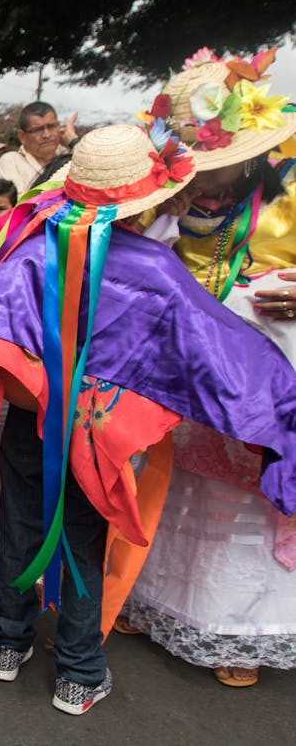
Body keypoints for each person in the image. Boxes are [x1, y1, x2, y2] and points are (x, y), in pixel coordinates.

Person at [0, 122, 296, 714]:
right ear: (145, 204)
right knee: (82, 537)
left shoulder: (33, 249)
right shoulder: (156, 269)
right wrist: (280, 397)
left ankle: (7, 642)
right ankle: (77, 670)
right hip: (99, 431)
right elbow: (217, 347)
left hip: (30, 421)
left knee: (21, 523)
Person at [119, 49, 296, 689]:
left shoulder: (291, 197)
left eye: (223, 168)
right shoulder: (161, 203)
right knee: (175, 486)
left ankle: (246, 628)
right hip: (185, 363)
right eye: (200, 170)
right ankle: (154, 599)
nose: (210, 185)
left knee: (245, 499)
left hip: (268, 367)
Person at [0, 101, 77, 195]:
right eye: (38, 130)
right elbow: (20, 205)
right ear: (22, 136)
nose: (46, 135)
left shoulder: (69, 159)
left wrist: (73, 141)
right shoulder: (11, 161)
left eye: (51, 127)